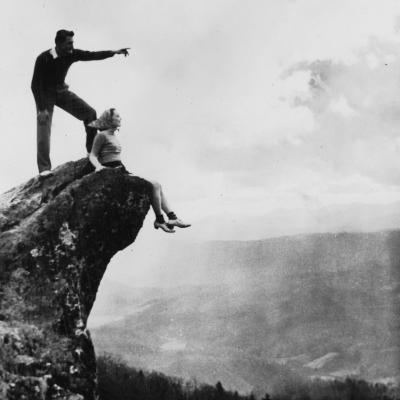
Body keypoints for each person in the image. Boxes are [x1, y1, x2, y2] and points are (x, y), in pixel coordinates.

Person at [31, 29, 130, 176]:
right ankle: (44, 168)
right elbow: (35, 85)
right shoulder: (44, 58)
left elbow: (91, 55)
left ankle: (92, 154)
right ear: (58, 44)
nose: (71, 46)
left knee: (90, 113)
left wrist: (113, 52)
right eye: (69, 43)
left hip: (61, 91)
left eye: (72, 43)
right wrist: (41, 108)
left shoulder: (72, 54)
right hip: (45, 94)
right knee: (44, 125)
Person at [88, 108, 191, 233]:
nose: (120, 118)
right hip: (111, 171)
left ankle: (172, 218)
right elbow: (92, 155)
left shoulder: (113, 135)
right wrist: (98, 167)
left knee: (157, 185)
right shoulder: (102, 135)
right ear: (110, 119)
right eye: (117, 116)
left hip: (120, 170)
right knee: (154, 185)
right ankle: (160, 220)